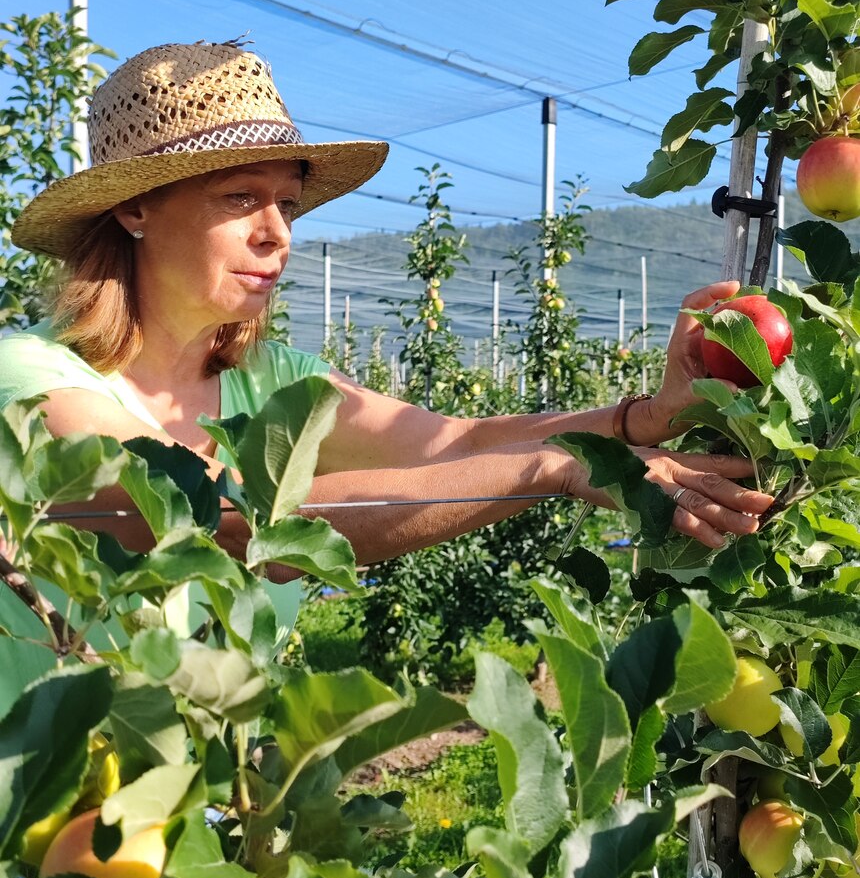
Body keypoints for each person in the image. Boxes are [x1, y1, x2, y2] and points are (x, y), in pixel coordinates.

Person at [0, 40, 772, 629]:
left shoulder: (272, 382)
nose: (278, 234)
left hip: (217, 806)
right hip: (48, 815)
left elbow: (453, 444)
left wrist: (644, 419)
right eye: (240, 197)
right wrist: (559, 466)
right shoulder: (28, 379)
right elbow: (223, 518)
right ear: (134, 209)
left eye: (289, 205)